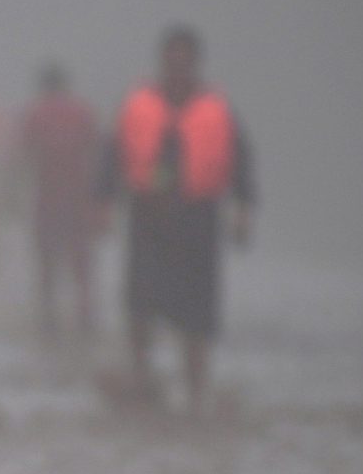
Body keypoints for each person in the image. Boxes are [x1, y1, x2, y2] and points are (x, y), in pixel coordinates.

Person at [98, 25, 256, 408]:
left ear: (197, 64)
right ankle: (140, 381)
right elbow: (112, 156)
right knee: (140, 307)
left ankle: (196, 391)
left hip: (198, 221)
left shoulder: (218, 110)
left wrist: (243, 212)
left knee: (197, 317)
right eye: (172, 58)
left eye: (186, 59)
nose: (178, 66)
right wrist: (102, 205)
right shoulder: (138, 106)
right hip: (148, 218)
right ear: (162, 61)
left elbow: (241, 164)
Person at [20, 60, 103, 337]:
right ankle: (85, 315)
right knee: (81, 262)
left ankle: (49, 316)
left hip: (47, 198)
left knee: (48, 262)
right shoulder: (83, 112)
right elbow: (98, 152)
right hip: (78, 197)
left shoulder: (36, 114)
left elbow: (23, 155)